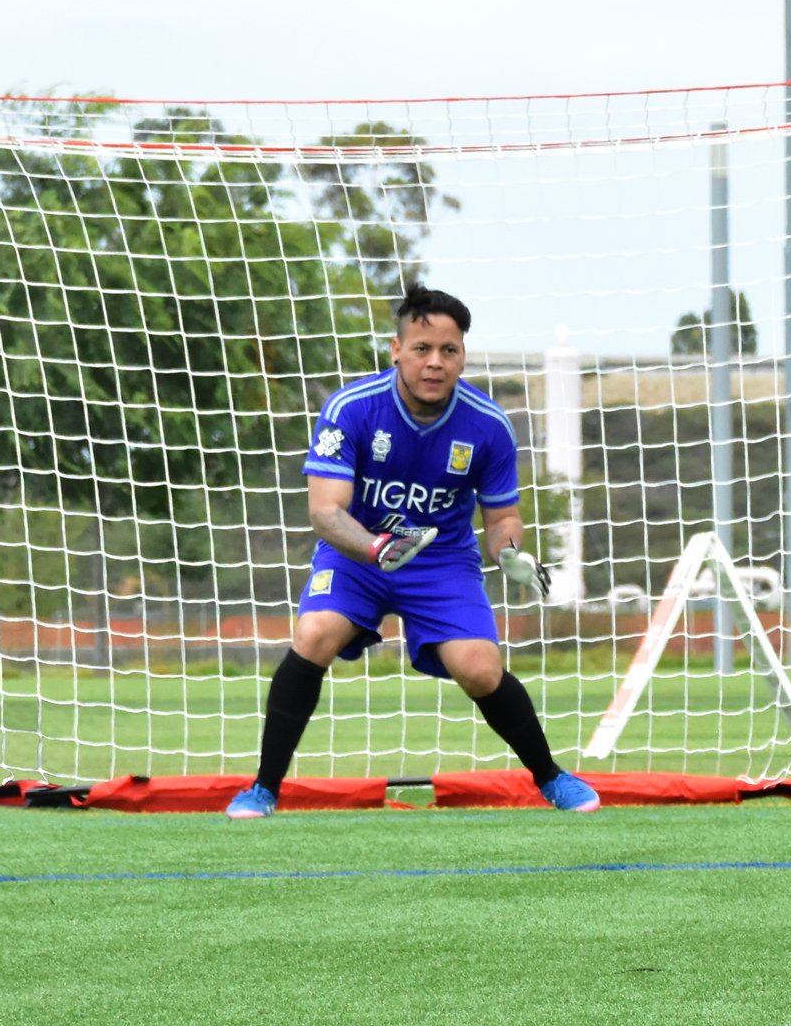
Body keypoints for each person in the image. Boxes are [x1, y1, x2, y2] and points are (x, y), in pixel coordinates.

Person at [227, 283, 601, 817]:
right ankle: (263, 789)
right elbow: (326, 512)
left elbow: (502, 519)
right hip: (358, 552)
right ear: (396, 350)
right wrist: (375, 548)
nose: (435, 362)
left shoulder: (489, 425)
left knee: (479, 668)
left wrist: (511, 552)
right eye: (422, 349)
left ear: (462, 356)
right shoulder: (351, 409)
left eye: (449, 350)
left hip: (441, 562)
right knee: (314, 634)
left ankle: (554, 778)